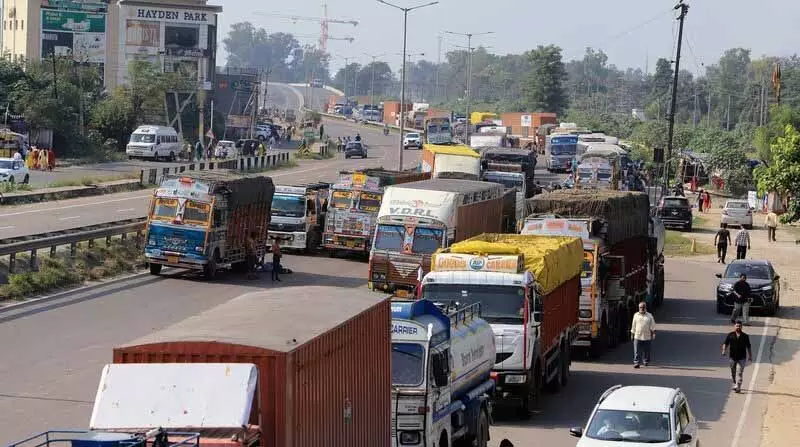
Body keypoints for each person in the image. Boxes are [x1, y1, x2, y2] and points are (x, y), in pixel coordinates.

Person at [722, 320, 752, 393]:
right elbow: (725, 343)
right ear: (734, 326)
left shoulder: (745, 336)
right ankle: (735, 383)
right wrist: (723, 350)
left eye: (739, 326)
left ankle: (738, 387)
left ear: (742, 327)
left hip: (742, 358)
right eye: (737, 326)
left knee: (740, 372)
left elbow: (748, 347)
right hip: (732, 357)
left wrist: (750, 356)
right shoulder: (730, 335)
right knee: (733, 371)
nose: (738, 327)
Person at [631, 302, 656, 368]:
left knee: (646, 351)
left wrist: (653, 333)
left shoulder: (649, 315)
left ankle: (645, 361)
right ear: (639, 308)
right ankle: (636, 362)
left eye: (643, 307)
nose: (642, 309)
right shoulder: (636, 315)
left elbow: (652, 325)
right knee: (636, 351)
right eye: (640, 307)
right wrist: (632, 334)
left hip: (647, 336)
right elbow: (633, 325)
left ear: (645, 308)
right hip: (637, 336)